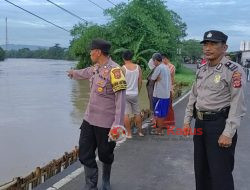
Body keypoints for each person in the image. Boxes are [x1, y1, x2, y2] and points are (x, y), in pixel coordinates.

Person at [183, 30, 246, 190]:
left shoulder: (234, 70)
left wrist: (228, 133)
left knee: (220, 174)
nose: (207, 48)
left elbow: (237, 103)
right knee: (201, 170)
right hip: (200, 125)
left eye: (213, 44)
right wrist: (187, 120)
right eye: (205, 44)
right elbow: (193, 96)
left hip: (219, 125)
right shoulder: (202, 69)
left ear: (224, 47)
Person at [67, 39, 126, 190]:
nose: (90, 53)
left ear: (98, 52)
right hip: (89, 119)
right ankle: (91, 186)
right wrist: (73, 73)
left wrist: (118, 124)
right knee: (85, 153)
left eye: (91, 50)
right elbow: (85, 72)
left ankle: (106, 180)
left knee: (105, 154)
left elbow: (121, 99)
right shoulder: (96, 68)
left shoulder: (116, 71)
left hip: (106, 123)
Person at [121, 50, 144, 138]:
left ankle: (129, 134)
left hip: (125, 94)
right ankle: (140, 132)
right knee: (137, 113)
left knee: (126, 114)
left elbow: (120, 83)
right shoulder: (138, 67)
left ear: (123, 58)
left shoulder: (123, 68)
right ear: (132, 57)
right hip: (135, 94)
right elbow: (140, 81)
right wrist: (138, 90)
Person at [150, 53, 171, 135]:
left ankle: (159, 130)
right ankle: (159, 129)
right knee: (162, 113)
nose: (153, 63)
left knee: (159, 113)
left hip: (159, 94)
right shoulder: (166, 67)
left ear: (155, 60)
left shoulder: (158, 68)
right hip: (166, 93)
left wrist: (155, 79)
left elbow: (152, 79)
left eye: (153, 61)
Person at [161, 53, 176, 128]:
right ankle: (162, 123)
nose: (162, 61)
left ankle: (170, 124)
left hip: (168, 89)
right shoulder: (161, 66)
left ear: (165, 58)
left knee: (169, 107)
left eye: (163, 59)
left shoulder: (171, 67)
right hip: (161, 89)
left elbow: (172, 79)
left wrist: (172, 89)